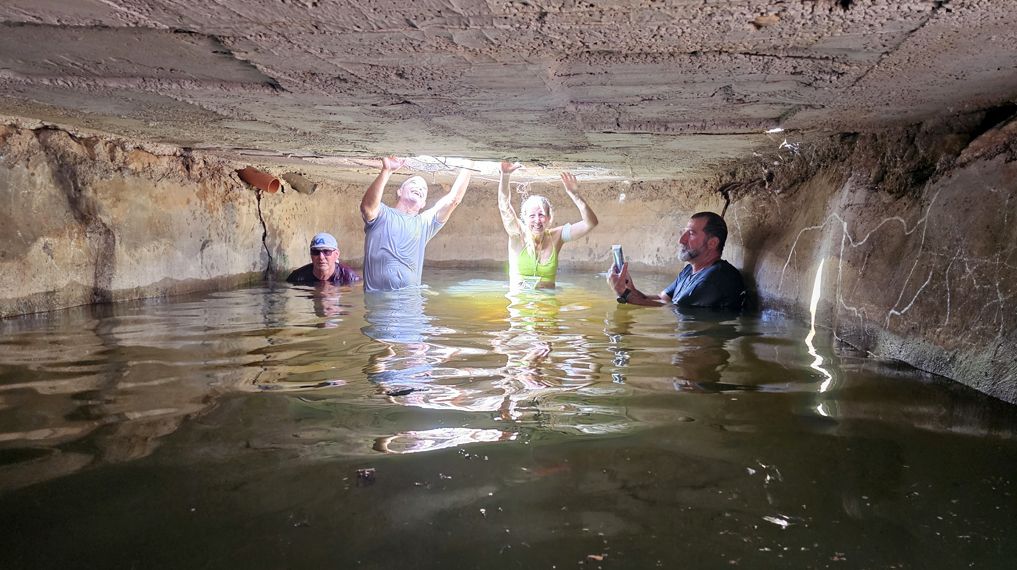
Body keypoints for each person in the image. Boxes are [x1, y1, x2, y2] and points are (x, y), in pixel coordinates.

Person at [361, 157, 474, 292]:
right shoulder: (383, 214)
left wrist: (471, 159)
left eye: (423, 189)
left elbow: (454, 199)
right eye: (414, 183)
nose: (419, 188)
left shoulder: (424, 223)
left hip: (411, 303)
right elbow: (368, 207)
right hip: (379, 303)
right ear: (399, 191)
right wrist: (386, 171)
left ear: (423, 204)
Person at [608, 211, 745, 309]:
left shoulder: (716, 278)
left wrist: (624, 294)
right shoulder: (690, 270)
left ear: (712, 243)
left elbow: (672, 311)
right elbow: (662, 300)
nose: (681, 239)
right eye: (684, 232)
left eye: (691, 233)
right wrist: (630, 288)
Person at [498, 162, 598, 289]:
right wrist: (505, 176)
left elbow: (590, 223)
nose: (537, 221)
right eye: (532, 216)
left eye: (541, 215)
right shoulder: (517, 235)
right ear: (524, 218)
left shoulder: (558, 235)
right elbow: (504, 207)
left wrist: (575, 195)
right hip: (520, 302)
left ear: (549, 218)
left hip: (548, 302)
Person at [286, 232, 361, 285]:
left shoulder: (350, 277)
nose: (321, 257)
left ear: (336, 254)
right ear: (311, 254)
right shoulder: (297, 277)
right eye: (315, 252)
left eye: (327, 252)